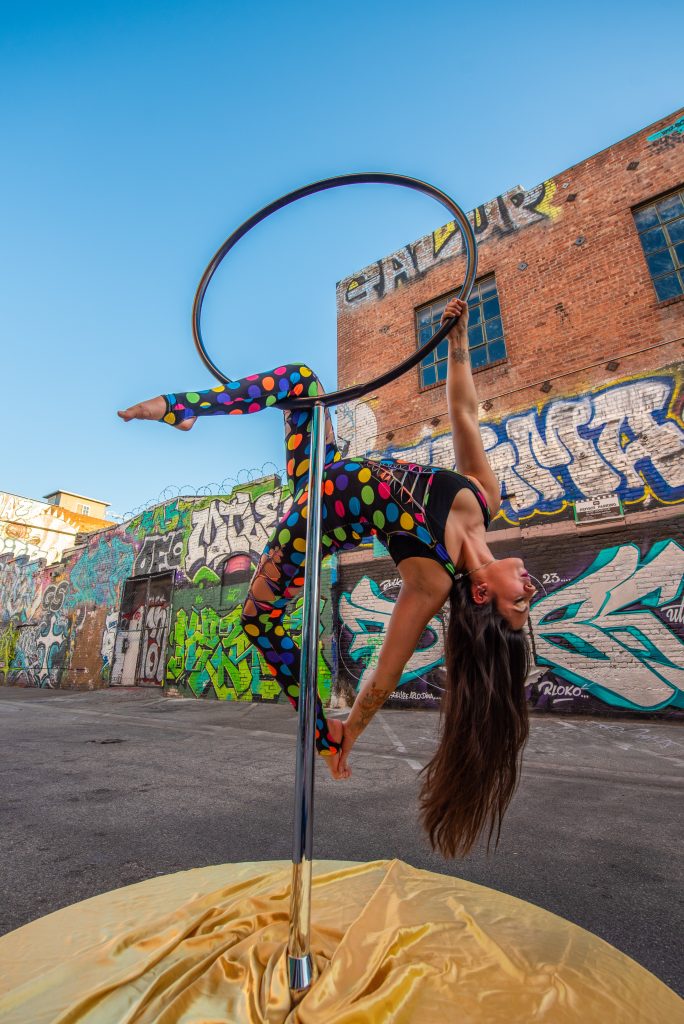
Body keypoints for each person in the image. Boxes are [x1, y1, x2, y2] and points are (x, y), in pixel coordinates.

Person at [119, 299, 535, 857]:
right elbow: (464, 413)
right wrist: (458, 341)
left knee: (256, 618)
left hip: (311, 523)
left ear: (482, 595)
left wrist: (347, 733)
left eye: (521, 605)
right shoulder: (483, 499)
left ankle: (318, 730)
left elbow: (385, 673)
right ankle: (181, 409)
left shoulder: (432, 576)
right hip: (322, 468)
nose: (531, 589)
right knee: (301, 379)